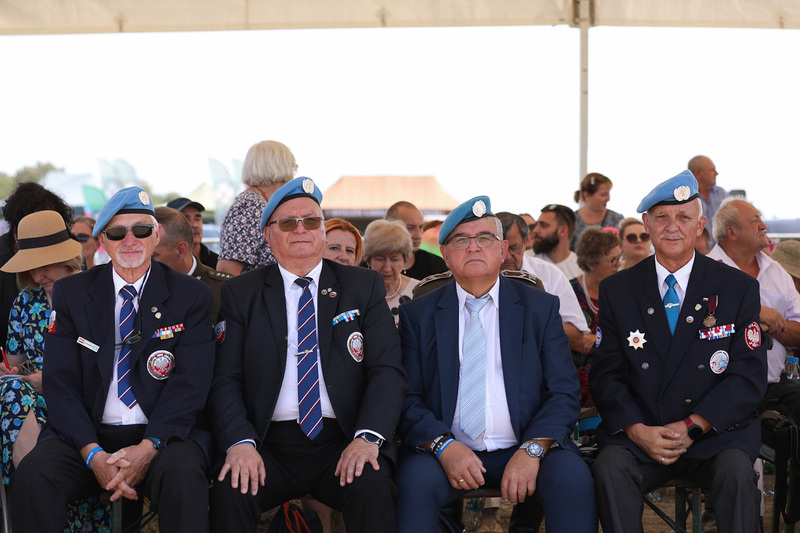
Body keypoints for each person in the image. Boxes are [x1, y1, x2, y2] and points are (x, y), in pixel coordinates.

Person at [9, 186, 216, 533]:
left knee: (184, 477)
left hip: (162, 437)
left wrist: (149, 447)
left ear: (157, 234)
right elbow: (61, 382)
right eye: (118, 232)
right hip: (90, 435)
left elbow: (191, 383)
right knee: (34, 476)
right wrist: (92, 454)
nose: (131, 240)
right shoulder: (72, 293)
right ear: (103, 240)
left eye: (142, 229)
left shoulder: (191, 295)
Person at [208, 177, 408, 533]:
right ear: (269, 236)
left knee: (373, 487)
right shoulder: (241, 294)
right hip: (268, 443)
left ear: (322, 232)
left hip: (343, 438)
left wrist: (368, 437)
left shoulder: (362, 286)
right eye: (288, 223)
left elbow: (386, 370)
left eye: (311, 221)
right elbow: (226, 378)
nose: (301, 230)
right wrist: (240, 444)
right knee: (231, 491)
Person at [396, 196, 597, 533]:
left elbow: (563, 392)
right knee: (412, 483)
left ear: (503, 250)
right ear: (445, 254)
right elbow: (407, 397)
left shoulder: (540, 309)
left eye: (485, 239)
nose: (473, 248)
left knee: (573, 479)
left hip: (528, 445)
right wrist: (444, 446)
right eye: (461, 240)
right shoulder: (419, 315)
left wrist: (532, 449)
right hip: (445, 450)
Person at [590, 170, 766, 533]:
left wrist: (693, 426)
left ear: (700, 225)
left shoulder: (737, 288)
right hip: (643, 435)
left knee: (737, 475)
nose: (672, 227)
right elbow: (606, 375)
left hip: (714, 434)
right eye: (661, 217)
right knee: (609, 468)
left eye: (683, 217)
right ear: (647, 223)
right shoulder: (618, 290)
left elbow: (747, 376)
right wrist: (638, 431)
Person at [0, 211, 83, 482]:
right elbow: (14, 363)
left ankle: (32, 491)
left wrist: (50, 381)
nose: (37, 276)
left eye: (44, 265)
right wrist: (9, 370)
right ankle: (35, 490)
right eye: (30, 267)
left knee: (13, 395)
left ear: (65, 258)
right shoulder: (26, 301)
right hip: (31, 401)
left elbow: (108, 371)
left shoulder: (94, 296)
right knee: (10, 389)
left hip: (80, 401)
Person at [708, 199, 800, 418]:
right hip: (717, 389)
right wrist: (753, 313)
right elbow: (698, 327)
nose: (764, 225)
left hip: (772, 387)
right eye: (755, 220)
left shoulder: (776, 271)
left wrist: (773, 325)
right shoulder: (704, 272)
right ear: (732, 233)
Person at [495, 211, 591, 358]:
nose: (507, 257)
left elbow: (577, 336)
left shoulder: (550, 274)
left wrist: (526, 327)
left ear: (526, 242)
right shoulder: (475, 276)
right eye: (500, 250)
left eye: (513, 248)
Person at [0, 182, 74, 348]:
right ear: (16, 233)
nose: (37, 276)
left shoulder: (88, 291)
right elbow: (16, 360)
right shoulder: (24, 300)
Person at [216, 140, 297, 276]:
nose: (294, 171)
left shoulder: (260, 203)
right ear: (280, 166)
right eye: (292, 164)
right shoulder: (250, 206)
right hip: (252, 296)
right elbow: (227, 271)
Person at [152, 206, 232, 323]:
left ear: (180, 250)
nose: (143, 263)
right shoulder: (140, 288)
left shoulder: (223, 290)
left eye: (153, 257)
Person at [571, 227, 621, 406]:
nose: (619, 264)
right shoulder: (570, 292)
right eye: (612, 260)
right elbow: (573, 340)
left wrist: (595, 341)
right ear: (591, 263)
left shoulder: (622, 289)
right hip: (579, 376)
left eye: (619, 257)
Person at [363, 219, 418, 326]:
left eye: (394, 259)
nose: (387, 268)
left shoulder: (419, 292)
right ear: (369, 261)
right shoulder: (358, 293)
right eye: (380, 259)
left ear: (405, 260)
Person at [385, 201, 447, 280]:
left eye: (421, 227)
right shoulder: (371, 266)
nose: (418, 235)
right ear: (390, 227)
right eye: (410, 228)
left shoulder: (436, 266)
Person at [570, 173, 624, 251]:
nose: (608, 198)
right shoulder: (572, 220)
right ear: (587, 195)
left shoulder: (616, 219)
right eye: (603, 194)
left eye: (608, 193)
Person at [166, 196, 219, 269]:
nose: (194, 225)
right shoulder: (161, 264)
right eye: (186, 219)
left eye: (197, 219)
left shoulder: (217, 263)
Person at [532, 204, 583, 280]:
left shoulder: (581, 269)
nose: (535, 230)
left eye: (543, 225)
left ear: (563, 231)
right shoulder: (526, 261)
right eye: (537, 224)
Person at [689, 155, 729, 235]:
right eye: (712, 170)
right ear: (697, 173)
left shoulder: (722, 194)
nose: (716, 173)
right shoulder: (686, 198)